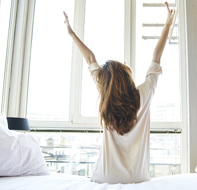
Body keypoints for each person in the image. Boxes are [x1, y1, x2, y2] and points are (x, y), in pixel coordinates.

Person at [63, 2, 175, 184]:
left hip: (106, 177)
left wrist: (71, 33)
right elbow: (156, 56)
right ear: (127, 75)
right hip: (138, 177)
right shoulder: (144, 94)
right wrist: (168, 25)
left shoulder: (106, 97)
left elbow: (90, 58)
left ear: (105, 83)